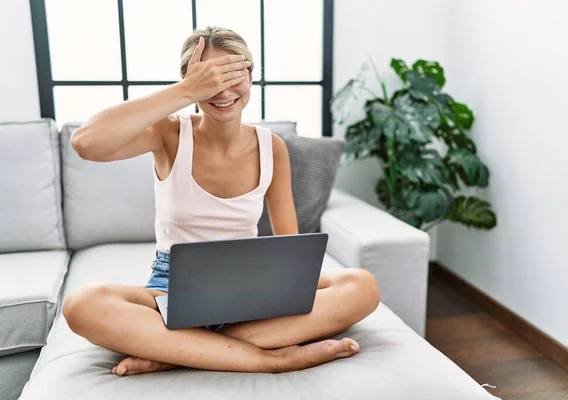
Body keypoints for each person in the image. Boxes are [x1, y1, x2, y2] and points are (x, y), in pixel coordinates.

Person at [62, 26, 380, 376]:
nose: (224, 91)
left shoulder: (271, 146)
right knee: (81, 305)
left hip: (252, 282)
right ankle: (268, 358)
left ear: (251, 76)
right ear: (189, 81)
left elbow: (289, 246)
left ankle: (182, 349)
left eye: (233, 75)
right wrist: (184, 92)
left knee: (362, 286)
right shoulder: (168, 133)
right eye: (209, 79)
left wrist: (283, 292)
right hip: (172, 287)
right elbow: (85, 143)